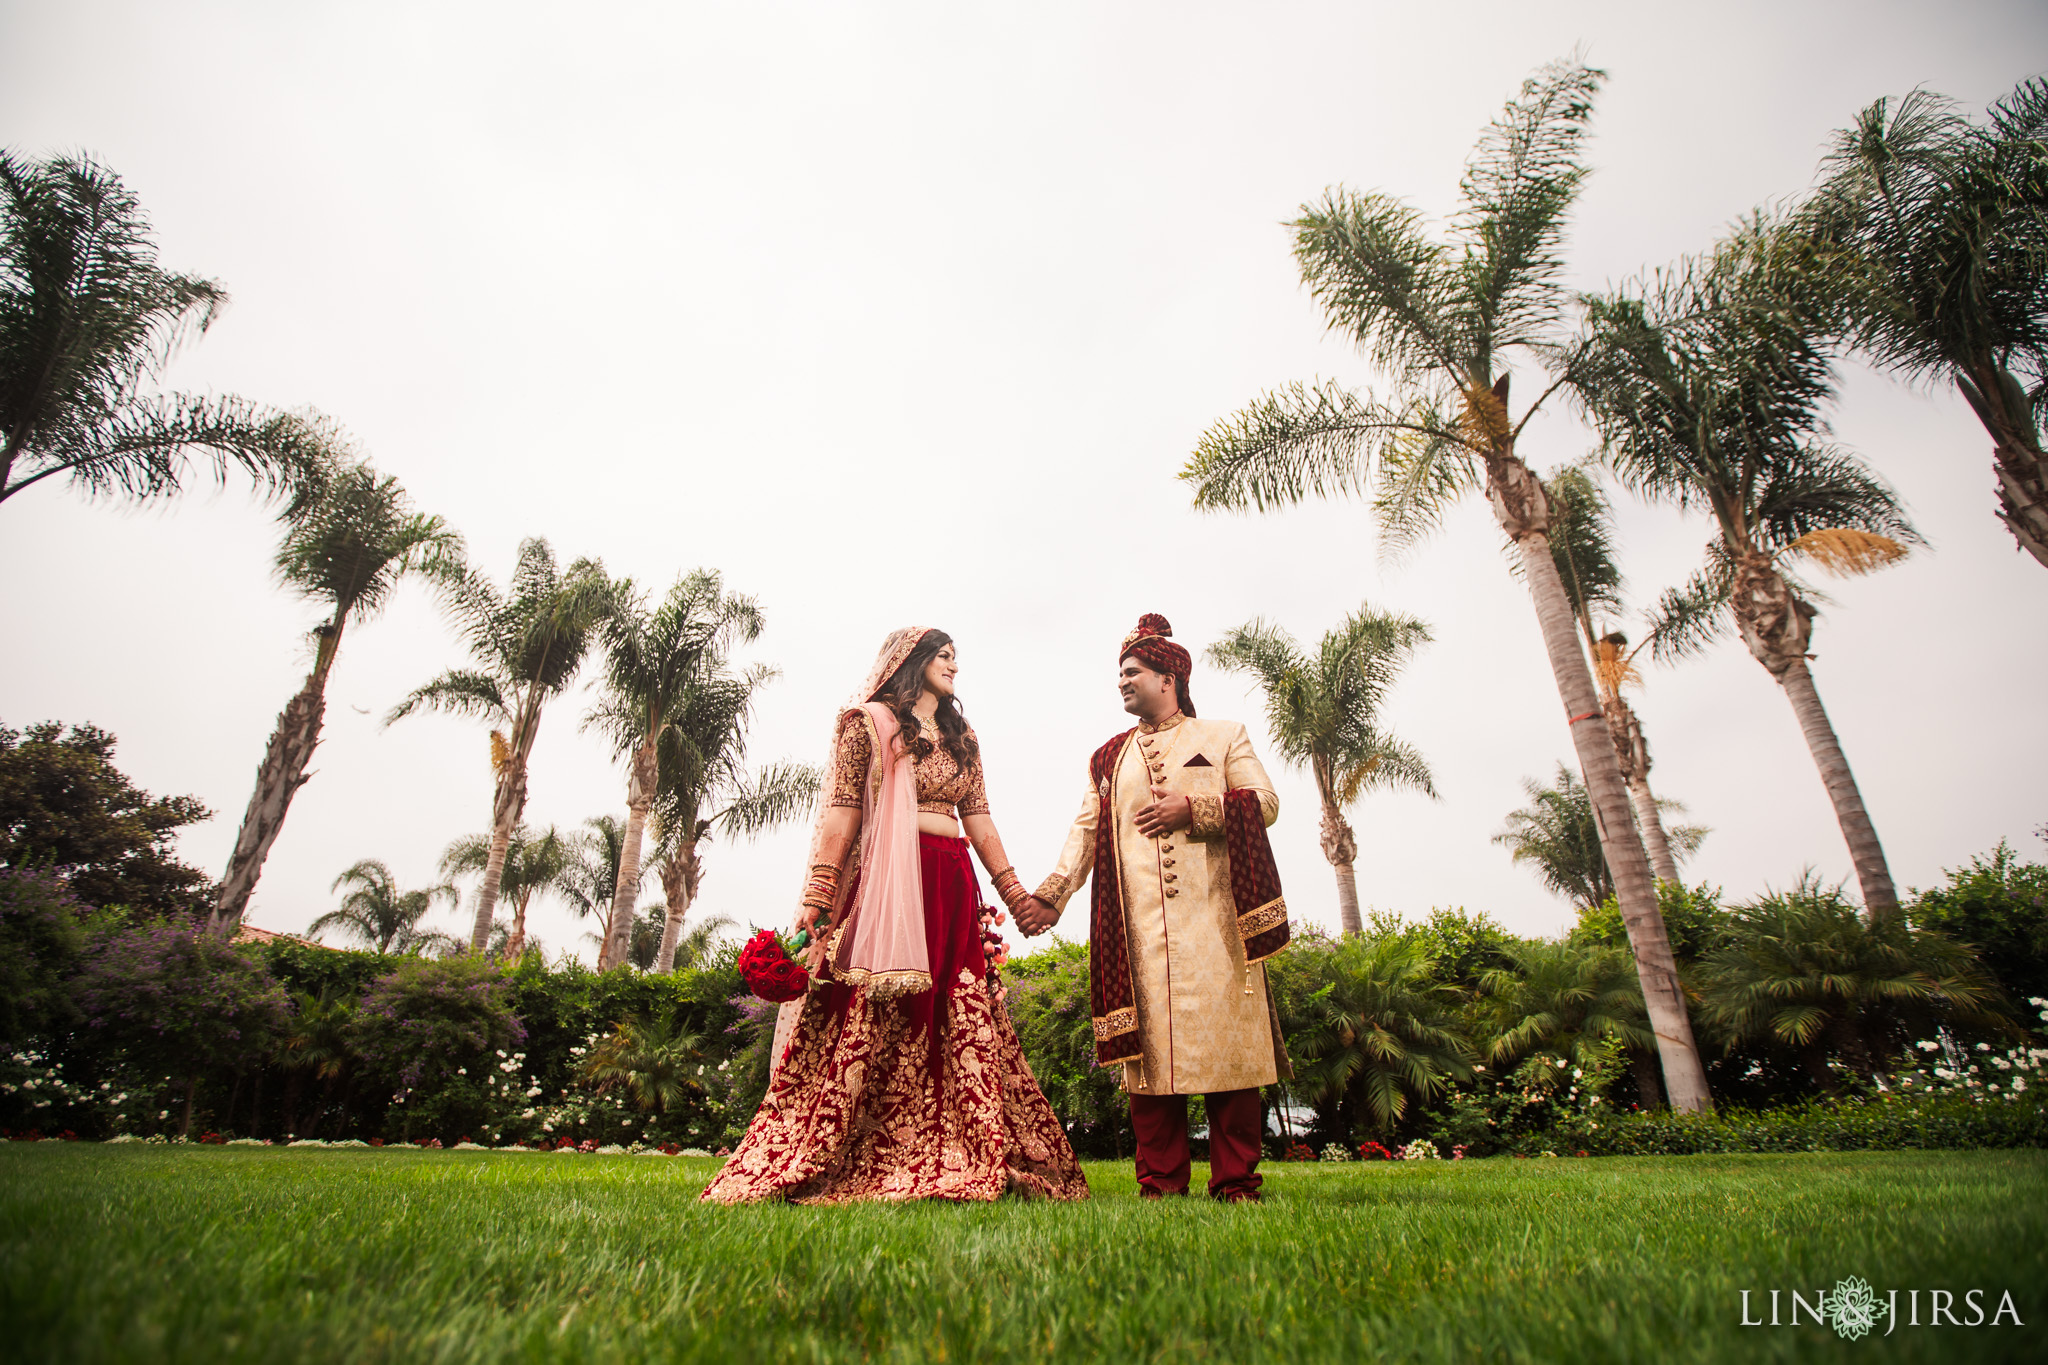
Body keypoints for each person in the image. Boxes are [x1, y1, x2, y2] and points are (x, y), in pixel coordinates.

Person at [703, 627, 1088, 1204]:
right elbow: (842, 812)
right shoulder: (867, 724)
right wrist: (819, 891)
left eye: (957, 655)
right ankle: (863, 1142)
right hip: (889, 883)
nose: (954, 664)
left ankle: (967, 1141)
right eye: (942, 655)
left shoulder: (963, 737)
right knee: (877, 1006)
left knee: (952, 1007)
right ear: (911, 661)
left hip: (950, 881)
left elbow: (979, 818)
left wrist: (1013, 893)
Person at [1015, 613, 1291, 1202]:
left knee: (1232, 1058)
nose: (1121, 682)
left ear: (1167, 677)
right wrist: (1049, 898)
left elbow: (1264, 803)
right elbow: (1085, 832)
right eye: (1119, 673)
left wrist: (1195, 810)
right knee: (1149, 1062)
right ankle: (1161, 1184)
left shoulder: (1222, 736)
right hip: (1138, 933)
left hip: (1219, 927)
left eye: (1132, 672)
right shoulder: (1107, 758)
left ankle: (1236, 1182)